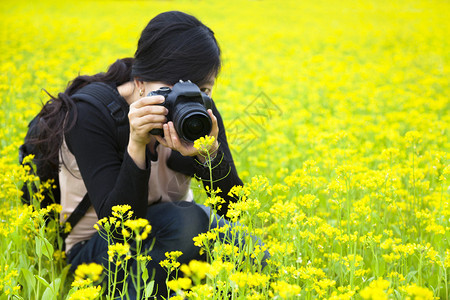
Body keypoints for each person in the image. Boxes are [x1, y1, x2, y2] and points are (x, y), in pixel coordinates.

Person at [33, 10, 256, 298]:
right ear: (140, 82)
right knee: (191, 221)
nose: (186, 98)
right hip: (96, 253)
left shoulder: (199, 114)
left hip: (173, 235)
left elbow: (234, 211)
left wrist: (209, 155)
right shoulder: (91, 115)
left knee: (253, 252)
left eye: (202, 88)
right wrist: (136, 144)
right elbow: (118, 231)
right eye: (170, 89)